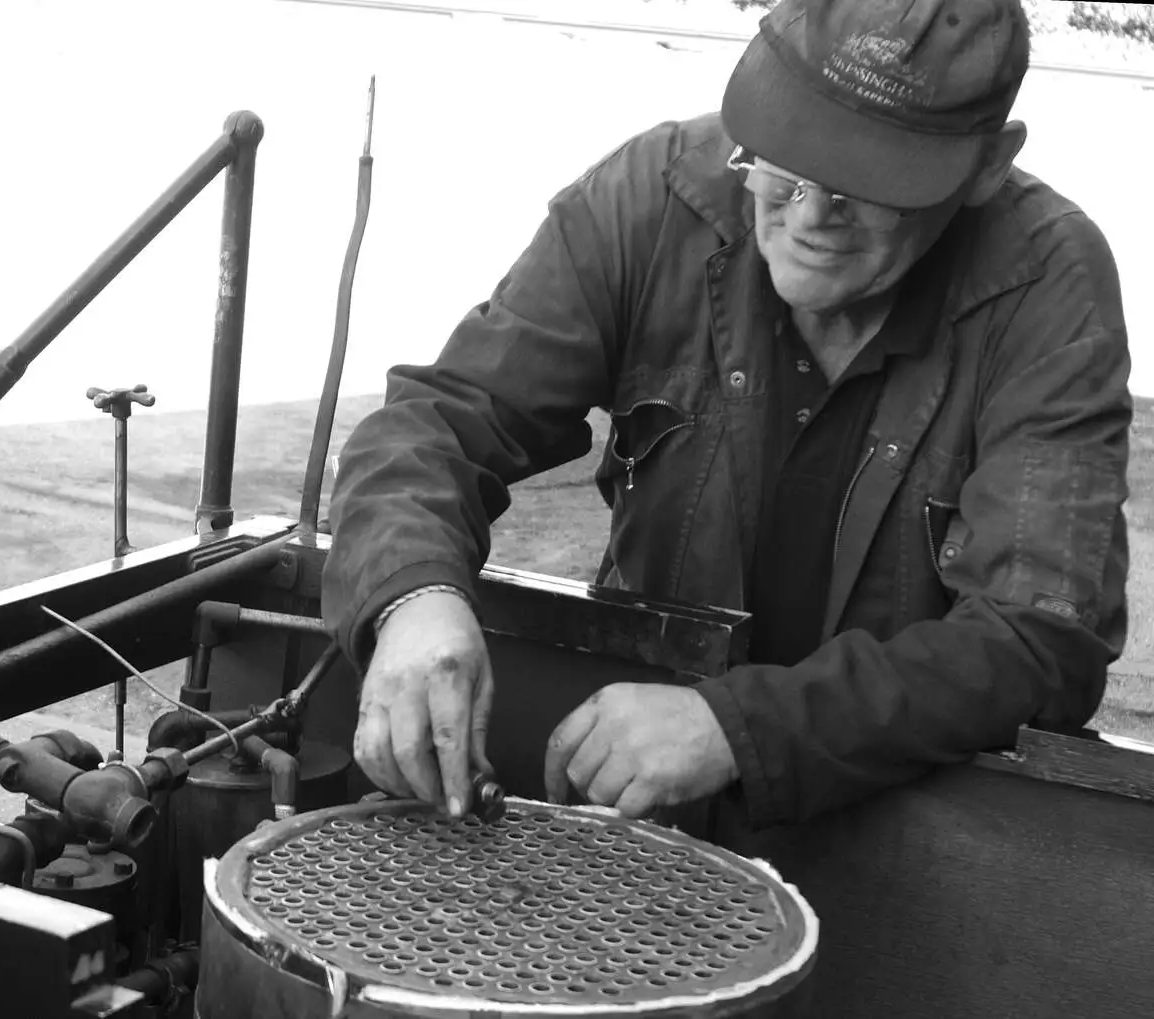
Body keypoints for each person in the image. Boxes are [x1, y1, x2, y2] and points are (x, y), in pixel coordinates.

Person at [321, 0, 1131, 831]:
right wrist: (411, 594)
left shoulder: (1048, 285)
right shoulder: (652, 195)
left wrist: (739, 729)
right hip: (636, 815)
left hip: (906, 836)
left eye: (870, 186)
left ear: (988, 167)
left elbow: (1038, 638)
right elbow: (439, 421)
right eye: (785, 160)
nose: (811, 217)